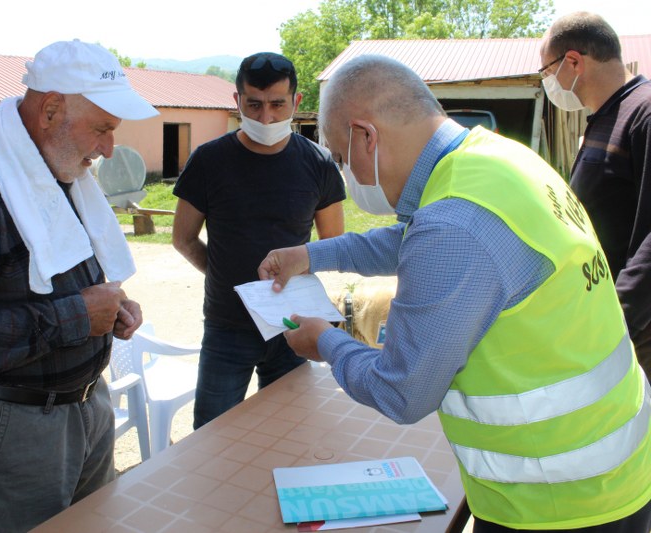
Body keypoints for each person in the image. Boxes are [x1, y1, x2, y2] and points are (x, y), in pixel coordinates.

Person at [258, 54, 651, 532]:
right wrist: (312, 255)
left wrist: (322, 340)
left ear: (367, 135)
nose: (348, 173)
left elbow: (401, 391)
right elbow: (418, 240)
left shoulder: (453, 224)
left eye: (342, 157)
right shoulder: (495, 161)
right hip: (612, 464)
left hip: (556, 500)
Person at [0, 40, 158, 532]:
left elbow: (59, 283)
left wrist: (112, 309)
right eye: (103, 129)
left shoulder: (58, 171)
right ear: (50, 109)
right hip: (11, 430)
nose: (109, 148)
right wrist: (79, 316)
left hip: (85, 406)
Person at [172, 52, 346, 429]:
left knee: (288, 431)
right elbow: (183, 239)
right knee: (212, 435)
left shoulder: (318, 164)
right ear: (236, 101)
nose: (265, 117)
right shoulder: (208, 161)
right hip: (227, 325)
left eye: (277, 105)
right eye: (254, 104)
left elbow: (333, 244)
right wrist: (228, 278)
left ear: (296, 103)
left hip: (292, 324)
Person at [539, 12, 651, 377]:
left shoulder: (643, 113)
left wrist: (619, 318)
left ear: (573, 62)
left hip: (632, 327)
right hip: (598, 311)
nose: (548, 82)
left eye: (547, 71)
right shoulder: (604, 117)